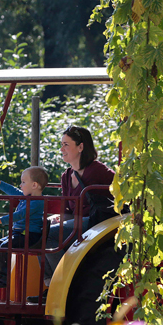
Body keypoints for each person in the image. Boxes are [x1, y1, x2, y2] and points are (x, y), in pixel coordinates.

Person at [33, 125, 115, 300]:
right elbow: (68, 210)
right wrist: (56, 219)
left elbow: (121, 186)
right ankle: (52, 284)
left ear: (81, 147)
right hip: (80, 221)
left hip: (97, 222)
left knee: (51, 234)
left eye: (66, 145)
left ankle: (63, 285)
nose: (61, 149)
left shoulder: (97, 171)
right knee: (38, 232)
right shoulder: (67, 175)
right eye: (61, 144)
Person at [0, 166, 49, 289]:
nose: (20, 185)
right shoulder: (27, 197)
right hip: (20, 234)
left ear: (34, 185)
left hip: (30, 236)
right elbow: (13, 191)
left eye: (23, 182)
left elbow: (20, 214)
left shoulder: (37, 202)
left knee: (5, 246)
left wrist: (0, 220)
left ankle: (3, 278)